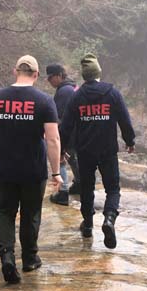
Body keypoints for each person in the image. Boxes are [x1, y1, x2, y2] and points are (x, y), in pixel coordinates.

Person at [0, 55, 62, 283]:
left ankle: (7, 255)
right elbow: (53, 139)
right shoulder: (45, 101)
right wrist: (56, 172)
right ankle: (29, 259)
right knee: (30, 213)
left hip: (5, 169)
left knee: (4, 212)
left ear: (14, 71)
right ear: (36, 75)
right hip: (33, 170)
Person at [60, 53, 135, 249]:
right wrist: (129, 140)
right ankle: (109, 218)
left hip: (85, 151)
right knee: (113, 188)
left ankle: (87, 225)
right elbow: (124, 120)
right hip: (108, 149)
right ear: (98, 72)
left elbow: (66, 126)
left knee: (87, 188)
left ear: (84, 75)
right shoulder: (112, 93)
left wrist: (61, 149)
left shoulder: (77, 97)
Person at [46, 63, 80, 205]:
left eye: (51, 77)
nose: (49, 80)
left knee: (60, 158)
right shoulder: (71, 87)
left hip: (69, 132)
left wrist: (55, 136)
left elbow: (59, 117)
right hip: (77, 131)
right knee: (73, 159)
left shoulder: (64, 91)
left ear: (59, 75)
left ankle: (63, 192)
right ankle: (80, 184)